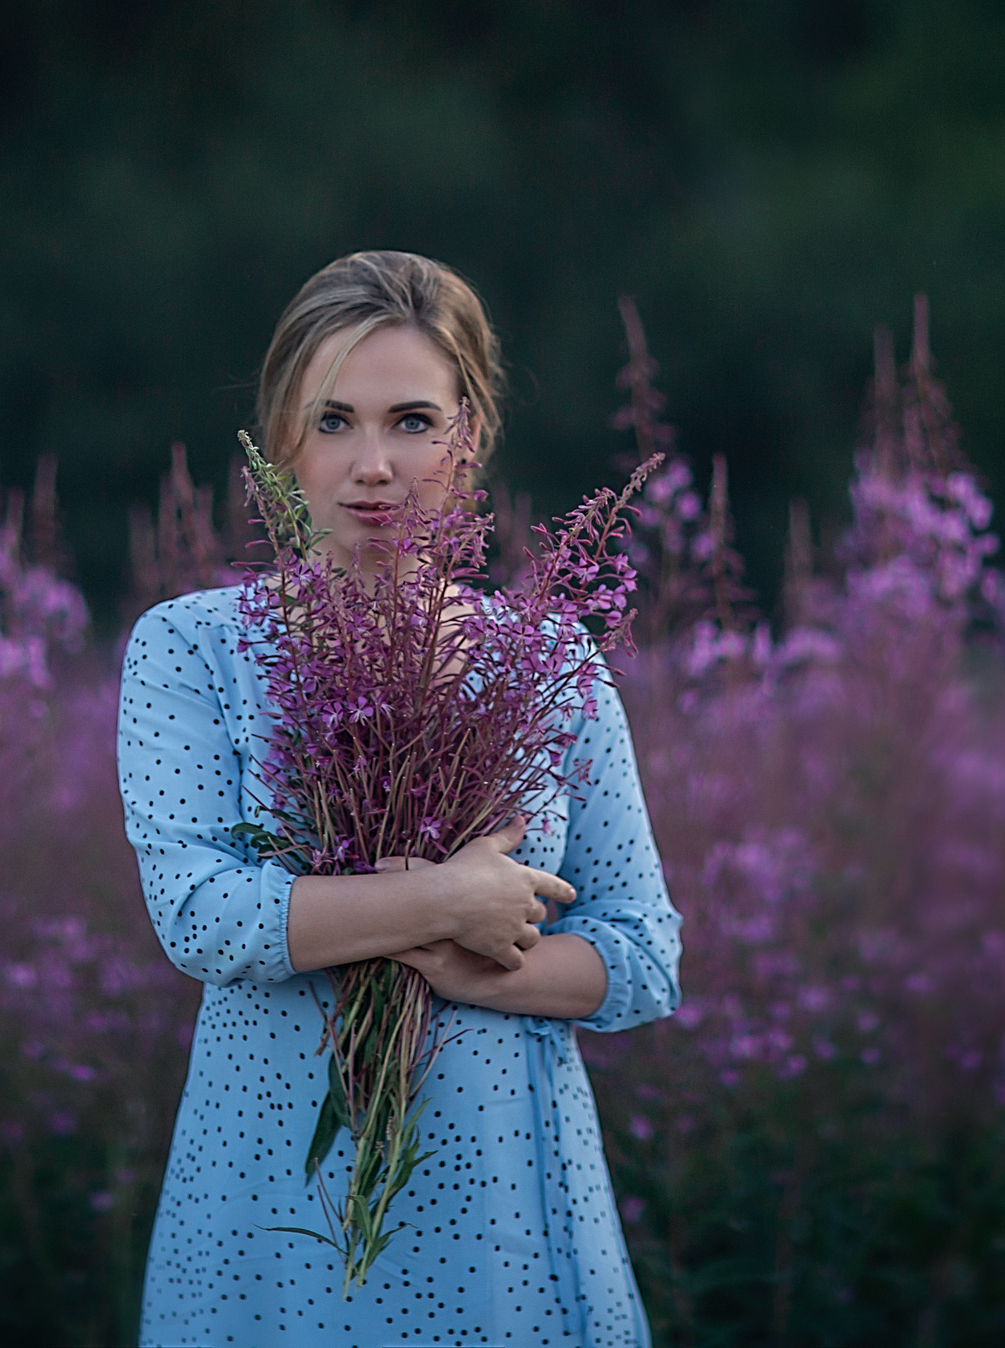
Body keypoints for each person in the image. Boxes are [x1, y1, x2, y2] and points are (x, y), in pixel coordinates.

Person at [118, 250, 683, 1346]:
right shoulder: (193, 650)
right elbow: (201, 916)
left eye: (412, 420)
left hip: (505, 1207)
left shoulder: (547, 663)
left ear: (469, 435)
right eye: (333, 422)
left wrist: (452, 957)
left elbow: (641, 956)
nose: (372, 465)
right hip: (273, 1198)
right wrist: (445, 900)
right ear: (282, 439)